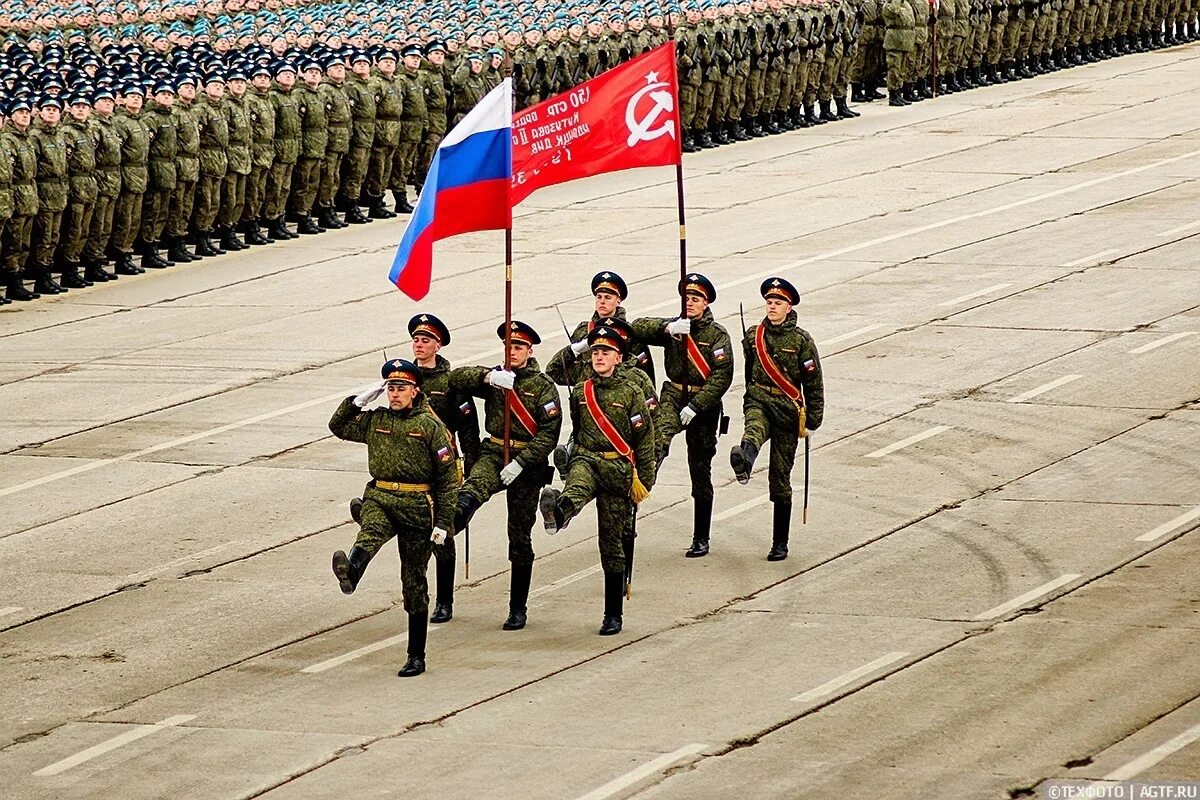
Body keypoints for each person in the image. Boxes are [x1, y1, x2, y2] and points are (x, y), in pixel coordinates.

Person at [328, 358, 459, 678]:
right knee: (369, 532)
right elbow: (338, 427)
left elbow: (447, 479)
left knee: (413, 581)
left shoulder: (430, 427)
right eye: (390, 388)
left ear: (415, 391)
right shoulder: (377, 420)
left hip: (417, 505)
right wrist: (358, 401)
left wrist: (443, 522)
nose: (394, 394)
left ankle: (416, 655)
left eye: (401, 388)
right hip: (381, 497)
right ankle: (352, 571)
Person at [349, 313, 480, 624]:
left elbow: (468, 429)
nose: (419, 345)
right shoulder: (402, 384)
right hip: (411, 467)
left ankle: (445, 600)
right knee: (416, 534)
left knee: (442, 538)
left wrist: (472, 470)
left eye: (426, 340)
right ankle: (373, 514)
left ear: (438, 345)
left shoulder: (450, 384)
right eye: (416, 340)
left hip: (442, 467)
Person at [539, 319, 656, 636]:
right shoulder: (581, 390)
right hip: (587, 458)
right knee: (575, 488)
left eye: (606, 352)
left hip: (618, 468)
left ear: (619, 357)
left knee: (611, 542)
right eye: (596, 352)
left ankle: (612, 614)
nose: (599, 356)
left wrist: (643, 481)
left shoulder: (632, 393)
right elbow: (578, 429)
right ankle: (558, 512)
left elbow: (644, 440)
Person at [450, 321, 562, 631]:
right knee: (473, 489)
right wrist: (487, 376)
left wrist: (522, 462)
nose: (512, 352)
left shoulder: (542, 386)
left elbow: (550, 433)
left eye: (518, 347)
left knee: (519, 534)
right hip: (495, 452)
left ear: (530, 351)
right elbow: (455, 378)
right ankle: (451, 525)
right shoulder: (497, 378)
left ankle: (517, 608)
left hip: (528, 463)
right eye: (508, 346)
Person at [633, 273, 734, 559]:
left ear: (706, 303)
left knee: (700, 469)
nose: (690, 303)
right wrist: (668, 328)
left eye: (696, 299)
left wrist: (696, 406)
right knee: (655, 443)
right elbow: (637, 328)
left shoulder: (717, 335)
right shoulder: (676, 327)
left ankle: (701, 537)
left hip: (704, 404)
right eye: (686, 298)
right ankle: (637, 495)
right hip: (674, 394)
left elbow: (722, 377)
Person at [730, 278, 825, 560]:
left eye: (778, 303)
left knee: (780, 476)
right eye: (769, 302)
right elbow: (749, 368)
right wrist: (750, 395)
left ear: (789, 306)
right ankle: (744, 461)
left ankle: (780, 542)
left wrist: (813, 419)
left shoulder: (801, 341)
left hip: (787, 407)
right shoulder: (753, 334)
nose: (772, 306)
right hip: (760, 398)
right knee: (753, 431)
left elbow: (813, 381)